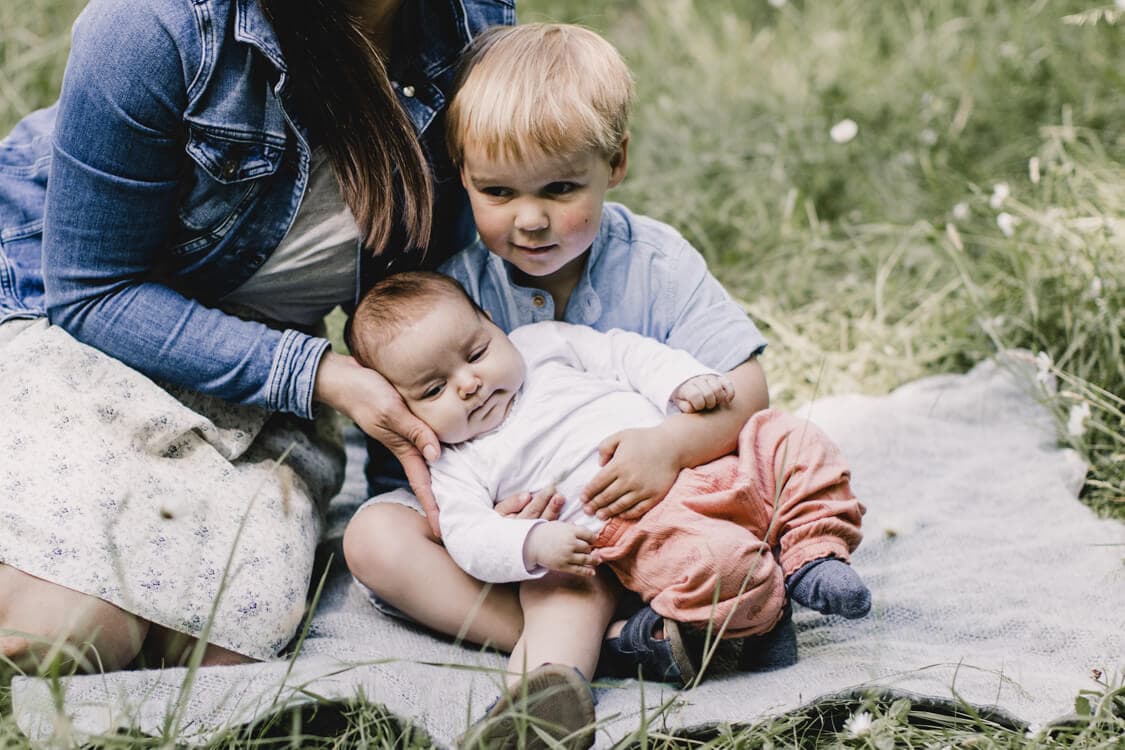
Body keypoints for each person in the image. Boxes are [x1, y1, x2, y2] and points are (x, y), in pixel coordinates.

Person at [0, 0, 513, 673]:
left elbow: (420, 294)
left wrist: (441, 489)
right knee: (64, 637)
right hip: (75, 327)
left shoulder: (467, 23)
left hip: (258, 370)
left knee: (224, 647)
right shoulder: (154, 26)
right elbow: (94, 292)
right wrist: (320, 375)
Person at [343, 21, 855, 689]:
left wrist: (668, 446)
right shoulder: (451, 294)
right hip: (543, 544)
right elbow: (414, 456)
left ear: (614, 162)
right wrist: (494, 529)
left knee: (778, 443)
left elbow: (745, 389)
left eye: (559, 190)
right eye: (497, 192)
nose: (530, 220)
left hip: (669, 509)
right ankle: (616, 646)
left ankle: (730, 591)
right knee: (372, 536)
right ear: (461, 171)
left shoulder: (654, 261)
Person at [346, 271, 869, 748]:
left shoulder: (544, 344)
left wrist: (681, 383)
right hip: (615, 542)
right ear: (402, 408)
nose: (468, 383)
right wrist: (530, 544)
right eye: (435, 388)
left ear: (494, 325)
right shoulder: (452, 459)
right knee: (559, 596)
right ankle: (537, 711)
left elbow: (624, 354)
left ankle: (812, 553)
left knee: (784, 436)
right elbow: (466, 532)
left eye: (477, 353)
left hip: (701, 471)